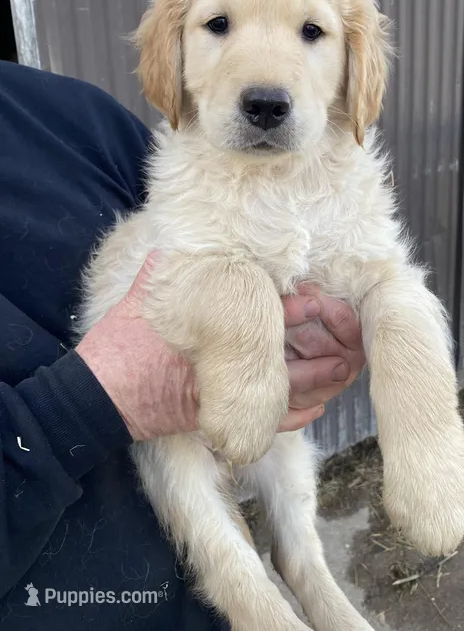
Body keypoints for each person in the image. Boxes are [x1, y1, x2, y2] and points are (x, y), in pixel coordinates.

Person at [0, 60, 367, 629]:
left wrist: (306, 336)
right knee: (185, 478)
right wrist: (90, 405)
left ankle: (308, 565)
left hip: (191, 609)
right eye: (219, 23)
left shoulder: (73, 115)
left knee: (284, 491)